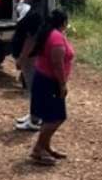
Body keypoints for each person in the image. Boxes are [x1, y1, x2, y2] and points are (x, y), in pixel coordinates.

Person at [28, 9, 74, 166]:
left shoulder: (49, 33)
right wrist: (62, 84)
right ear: (64, 22)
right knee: (56, 118)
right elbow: (57, 64)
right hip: (50, 82)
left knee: (50, 117)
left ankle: (45, 146)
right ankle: (38, 149)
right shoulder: (56, 38)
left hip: (43, 79)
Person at [13, 0, 47, 132]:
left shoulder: (35, 14)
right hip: (30, 56)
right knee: (30, 87)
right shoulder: (34, 10)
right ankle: (34, 114)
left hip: (30, 57)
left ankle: (35, 120)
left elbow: (30, 39)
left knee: (34, 88)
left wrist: (22, 58)